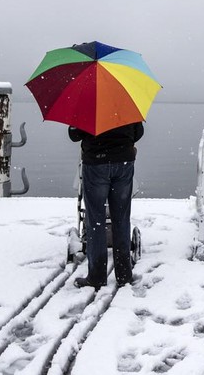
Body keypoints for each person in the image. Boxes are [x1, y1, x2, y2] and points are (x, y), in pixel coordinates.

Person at [69, 121, 144, 289]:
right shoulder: (126, 102)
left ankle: (96, 276)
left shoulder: (87, 103)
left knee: (95, 219)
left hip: (96, 163)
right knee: (121, 219)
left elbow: (74, 135)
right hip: (123, 163)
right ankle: (124, 274)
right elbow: (138, 133)